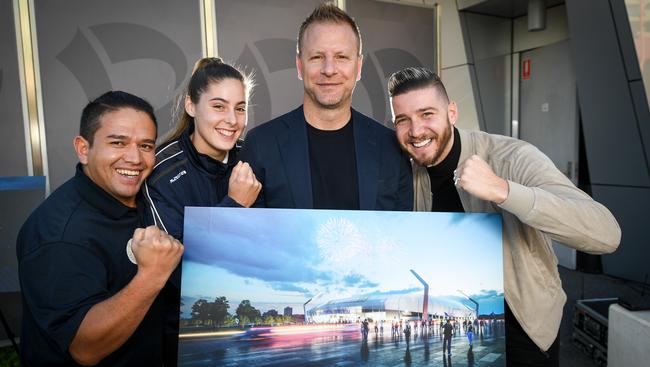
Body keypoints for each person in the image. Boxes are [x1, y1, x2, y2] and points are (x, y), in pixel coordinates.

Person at [388, 66, 622, 366]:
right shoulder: (402, 174)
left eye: (426, 114)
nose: (416, 130)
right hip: (459, 330)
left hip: (525, 332)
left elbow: (607, 233)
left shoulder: (510, 158)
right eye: (402, 120)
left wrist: (503, 190)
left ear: (452, 112)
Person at [17, 91, 183, 366]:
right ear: (84, 149)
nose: (134, 158)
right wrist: (153, 274)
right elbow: (85, 348)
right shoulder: (58, 236)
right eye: (118, 142)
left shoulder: (144, 198)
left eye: (145, 146)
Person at [143, 57, 261, 366]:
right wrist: (234, 206)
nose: (232, 120)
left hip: (245, 327)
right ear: (191, 106)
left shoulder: (251, 159)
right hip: (182, 335)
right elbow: (177, 272)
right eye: (219, 106)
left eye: (240, 108)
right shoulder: (160, 173)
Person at [241, 3, 412, 210]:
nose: (329, 70)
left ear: (358, 67)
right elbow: (250, 235)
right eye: (317, 57)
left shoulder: (391, 148)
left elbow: (399, 235)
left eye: (341, 57)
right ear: (299, 66)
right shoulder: (261, 145)